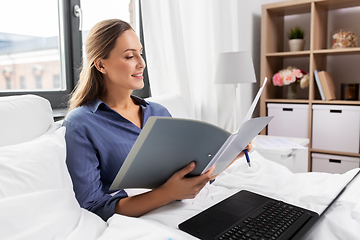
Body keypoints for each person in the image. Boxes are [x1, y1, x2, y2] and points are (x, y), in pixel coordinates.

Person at [63, 19, 252, 221]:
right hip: (141, 221)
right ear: (101, 65)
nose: (141, 63)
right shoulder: (80, 124)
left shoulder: (158, 112)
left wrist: (230, 155)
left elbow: (187, 173)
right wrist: (168, 194)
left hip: (186, 210)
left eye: (140, 53)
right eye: (129, 56)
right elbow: (92, 205)